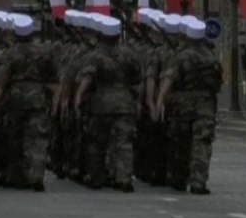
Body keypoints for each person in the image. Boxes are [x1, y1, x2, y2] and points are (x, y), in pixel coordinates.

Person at [74, 14, 141, 192]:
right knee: (124, 142)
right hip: (125, 103)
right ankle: (124, 178)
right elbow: (137, 80)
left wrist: (79, 97)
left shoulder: (95, 56)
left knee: (97, 142)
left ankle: (97, 177)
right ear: (118, 36)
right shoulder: (130, 55)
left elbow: (87, 79)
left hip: (101, 103)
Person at [156, 15, 221, 195]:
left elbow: (169, 78)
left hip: (182, 104)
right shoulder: (211, 57)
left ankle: (179, 178)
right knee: (202, 143)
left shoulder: (181, 56)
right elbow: (217, 84)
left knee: (181, 142)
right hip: (206, 104)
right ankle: (198, 181)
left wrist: (161, 100)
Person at [0, 13, 56, 191]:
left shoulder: (10, 53)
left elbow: (2, 80)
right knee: (37, 138)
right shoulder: (44, 53)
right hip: (38, 98)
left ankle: (15, 176)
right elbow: (53, 79)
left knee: (14, 138)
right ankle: (36, 177)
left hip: (15, 99)